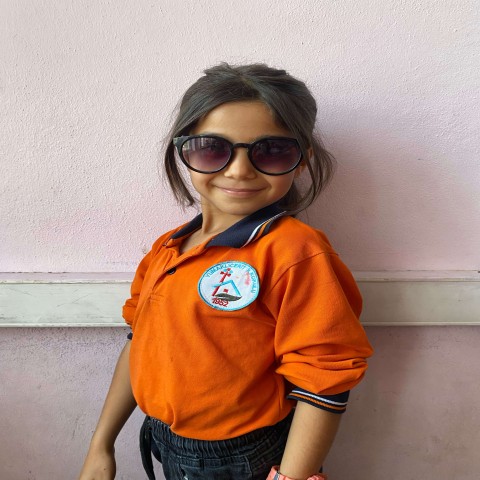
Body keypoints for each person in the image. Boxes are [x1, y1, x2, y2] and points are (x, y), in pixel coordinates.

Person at [78, 63, 373, 480]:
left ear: (302, 160)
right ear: (184, 151)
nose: (238, 170)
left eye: (272, 150)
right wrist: (101, 444)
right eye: (212, 148)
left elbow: (324, 382)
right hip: (166, 441)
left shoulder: (296, 253)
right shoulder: (167, 248)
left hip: (242, 457)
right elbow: (138, 340)